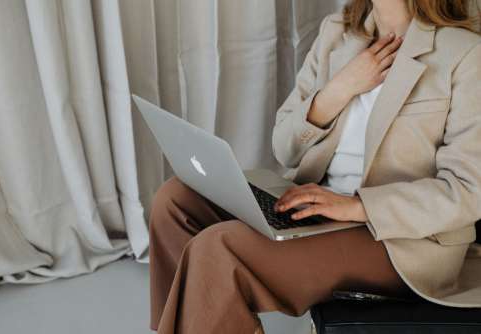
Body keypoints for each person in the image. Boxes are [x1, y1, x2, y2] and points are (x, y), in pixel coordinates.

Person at [149, 0, 481, 333]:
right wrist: (339, 90)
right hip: (317, 206)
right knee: (176, 199)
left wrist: (356, 207)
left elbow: (468, 191)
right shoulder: (337, 33)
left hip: (400, 241)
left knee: (219, 249)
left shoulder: (464, 53)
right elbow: (284, 147)